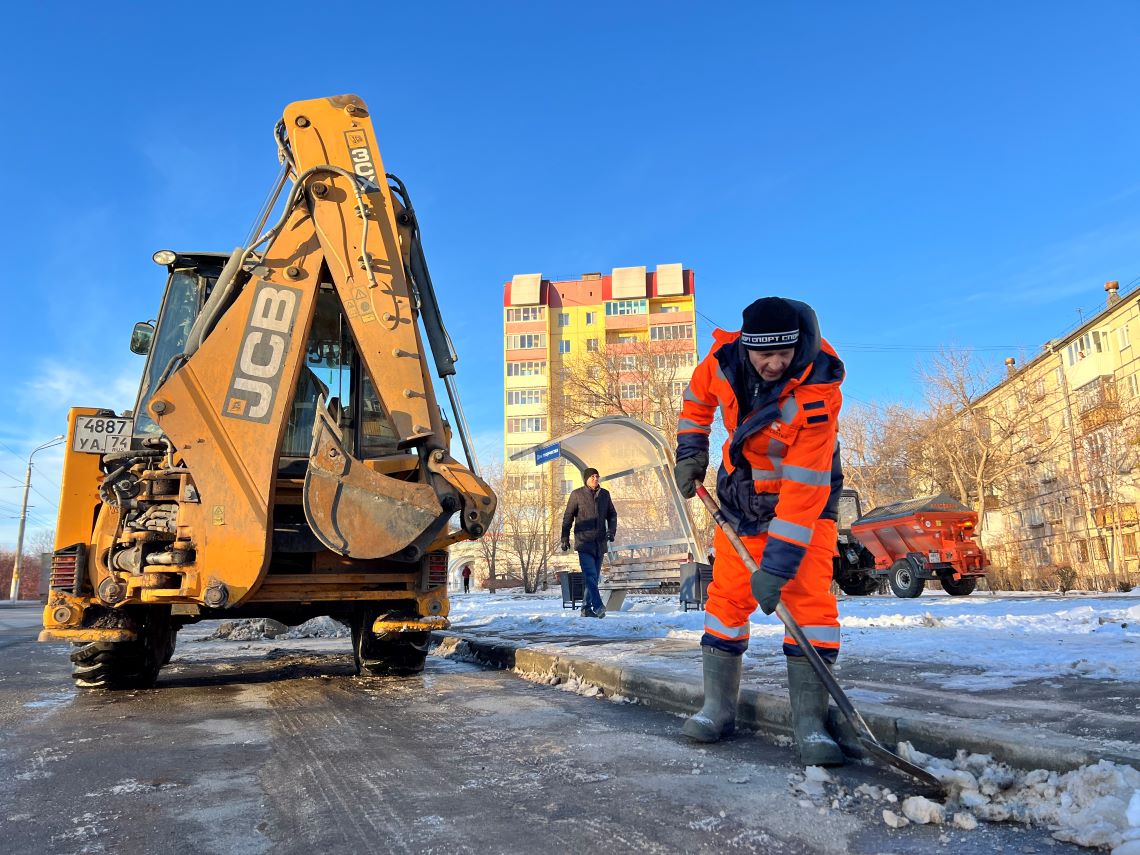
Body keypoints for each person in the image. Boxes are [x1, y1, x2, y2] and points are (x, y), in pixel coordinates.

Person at [673, 296, 846, 767]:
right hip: (741, 498)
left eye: (783, 355)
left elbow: (804, 491)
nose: (773, 364)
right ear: (747, 346)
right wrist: (691, 451)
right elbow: (696, 402)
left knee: (808, 601)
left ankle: (810, 723)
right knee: (727, 599)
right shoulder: (724, 360)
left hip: (804, 504)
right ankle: (718, 708)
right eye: (763, 355)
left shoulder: (818, 392)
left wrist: (777, 566)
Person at [560, 467, 618, 618]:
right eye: (592, 476)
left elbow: (612, 514)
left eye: (597, 476)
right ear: (586, 479)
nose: (595, 479)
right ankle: (598, 606)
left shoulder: (605, 494)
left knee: (592, 578)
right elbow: (568, 517)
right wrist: (564, 538)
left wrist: (611, 531)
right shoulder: (576, 494)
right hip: (584, 542)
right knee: (591, 575)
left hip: (600, 543)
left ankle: (586, 609)